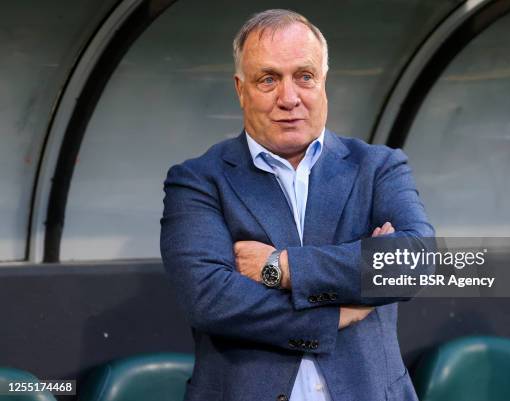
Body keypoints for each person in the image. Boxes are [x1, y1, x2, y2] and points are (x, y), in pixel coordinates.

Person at [160, 9, 434, 401]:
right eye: (268, 79)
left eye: (304, 76)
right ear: (241, 89)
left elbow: (414, 263)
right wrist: (339, 309)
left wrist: (280, 268)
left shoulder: (377, 167)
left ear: (323, 83)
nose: (289, 98)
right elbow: (210, 300)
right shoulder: (198, 181)